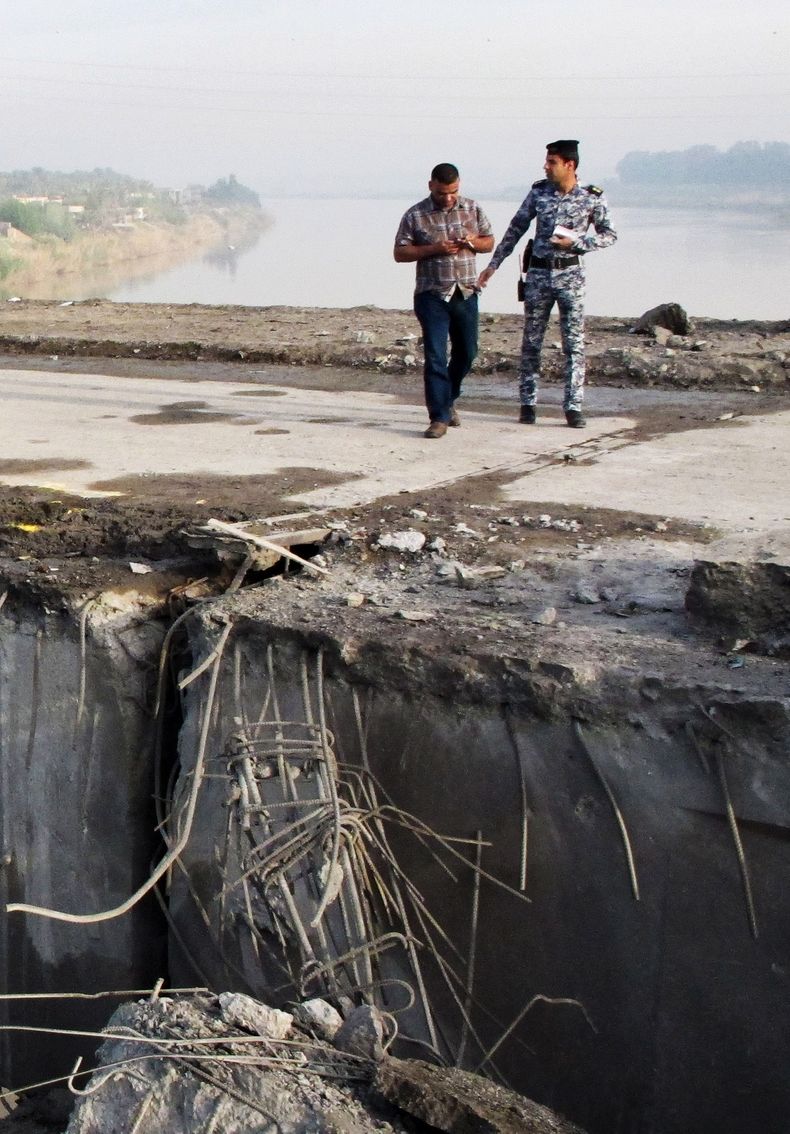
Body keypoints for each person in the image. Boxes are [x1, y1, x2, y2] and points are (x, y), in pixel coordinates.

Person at [478, 140, 616, 428]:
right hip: (539, 275)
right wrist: (494, 264)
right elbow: (516, 228)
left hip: (571, 276)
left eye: (552, 162)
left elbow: (609, 235)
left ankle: (573, 406)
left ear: (570, 164)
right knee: (531, 342)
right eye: (547, 161)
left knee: (574, 345)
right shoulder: (539, 192)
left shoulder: (591, 196)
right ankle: (528, 404)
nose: (546, 166)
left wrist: (579, 242)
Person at [394, 163, 494, 438]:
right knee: (436, 355)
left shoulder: (472, 209)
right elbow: (400, 253)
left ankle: (448, 398)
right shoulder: (415, 214)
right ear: (431, 186)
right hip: (432, 295)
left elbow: (489, 242)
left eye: (453, 192)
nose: (448, 198)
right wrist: (434, 249)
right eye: (442, 193)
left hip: (466, 292)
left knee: (468, 352)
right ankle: (438, 417)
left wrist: (472, 242)